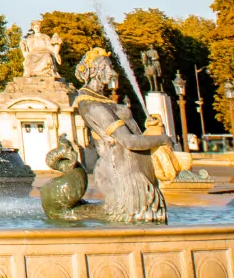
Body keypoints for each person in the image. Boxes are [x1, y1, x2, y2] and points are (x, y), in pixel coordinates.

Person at [72, 48, 172, 223]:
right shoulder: (91, 104)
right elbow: (127, 141)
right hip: (127, 175)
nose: (112, 72)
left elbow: (132, 133)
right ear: (93, 71)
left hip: (140, 172)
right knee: (137, 225)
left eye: (111, 67)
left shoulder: (103, 100)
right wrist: (163, 139)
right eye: (105, 67)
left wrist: (151, 129)